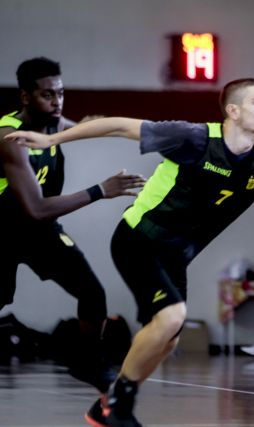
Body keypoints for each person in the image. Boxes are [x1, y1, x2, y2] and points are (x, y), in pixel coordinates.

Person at [5, 78, 254, 427]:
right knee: (171, 316)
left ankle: (106, 407)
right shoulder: (194, 138)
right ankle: (118, 405)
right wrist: (52, 139)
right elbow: (120, 125)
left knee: (168, 338)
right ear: (233, 111)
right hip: (139, 239)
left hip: (176, 257)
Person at [0, 57, 144, 424]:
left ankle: (87, 361)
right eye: (48, 94)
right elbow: (35, 208)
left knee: (92, 294)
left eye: (61, 93)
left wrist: (121, 128)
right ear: (26, 96)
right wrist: (101, 190)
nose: (57, 101)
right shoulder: (10, 137)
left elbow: (83, 126)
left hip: (40, 233)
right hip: (5, 230)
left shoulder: (55, 126)